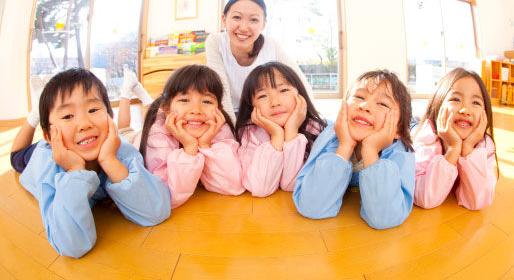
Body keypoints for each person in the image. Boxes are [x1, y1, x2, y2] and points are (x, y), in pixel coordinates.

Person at [17, 68, 171, 258]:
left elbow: (156, 210)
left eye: (93, 110)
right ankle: (35, 114)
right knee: (15, 156)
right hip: (37, 154)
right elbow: (72, 245)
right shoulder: (47, 163)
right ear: (49, 134)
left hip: (75, 141)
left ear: (110, 117)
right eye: (67, 116)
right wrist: (74, 170)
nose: (84, 124)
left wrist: (109, 160)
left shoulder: (117, 145)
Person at [293, 70, 415, 230]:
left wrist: (370, 151)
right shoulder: (331, 136)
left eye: (383, 104)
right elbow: (311, 205)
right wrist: (345, 146)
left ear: (397, 129)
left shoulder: (400, 151)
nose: (365, 106)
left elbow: (385, 217)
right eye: (359, 97)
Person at [138, 65, 245, 209]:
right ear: (166, 108)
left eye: (207, 101)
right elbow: (166, 196)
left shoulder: (218, 128)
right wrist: (189, 149)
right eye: (184, 100)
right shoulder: (158, 134)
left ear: (219, 109)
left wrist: (205, 144)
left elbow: (233, 185)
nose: (196, 110)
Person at [206, 0, 313, 123]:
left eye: (254, 20)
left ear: (263, 24)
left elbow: (300, 82)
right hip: (229, 111)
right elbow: (220, 87)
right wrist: (234, 130)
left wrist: (310, 116)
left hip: (264, 111)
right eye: (237, 17)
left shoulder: (271, 45)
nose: (244, 27)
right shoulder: (215, 41)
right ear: (224, 19)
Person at [235, 62, 326, 197]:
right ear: (252, 106)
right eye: (262, 96)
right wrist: (276, 136)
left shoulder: (315, 128)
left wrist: (291, 132)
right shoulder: (250, 133)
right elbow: (260, 188)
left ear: (299, 94)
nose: (275, 102)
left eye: (283, 91)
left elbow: (292, 185)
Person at [413, 68, 497, 210]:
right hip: (416, 127)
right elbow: (425, 199)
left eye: (476, 103)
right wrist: (453, 149)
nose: (465, 110)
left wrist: (468, 149)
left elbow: (477, 202)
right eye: (455, 99)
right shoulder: (427, 137)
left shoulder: (485, 144)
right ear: (438, 105)